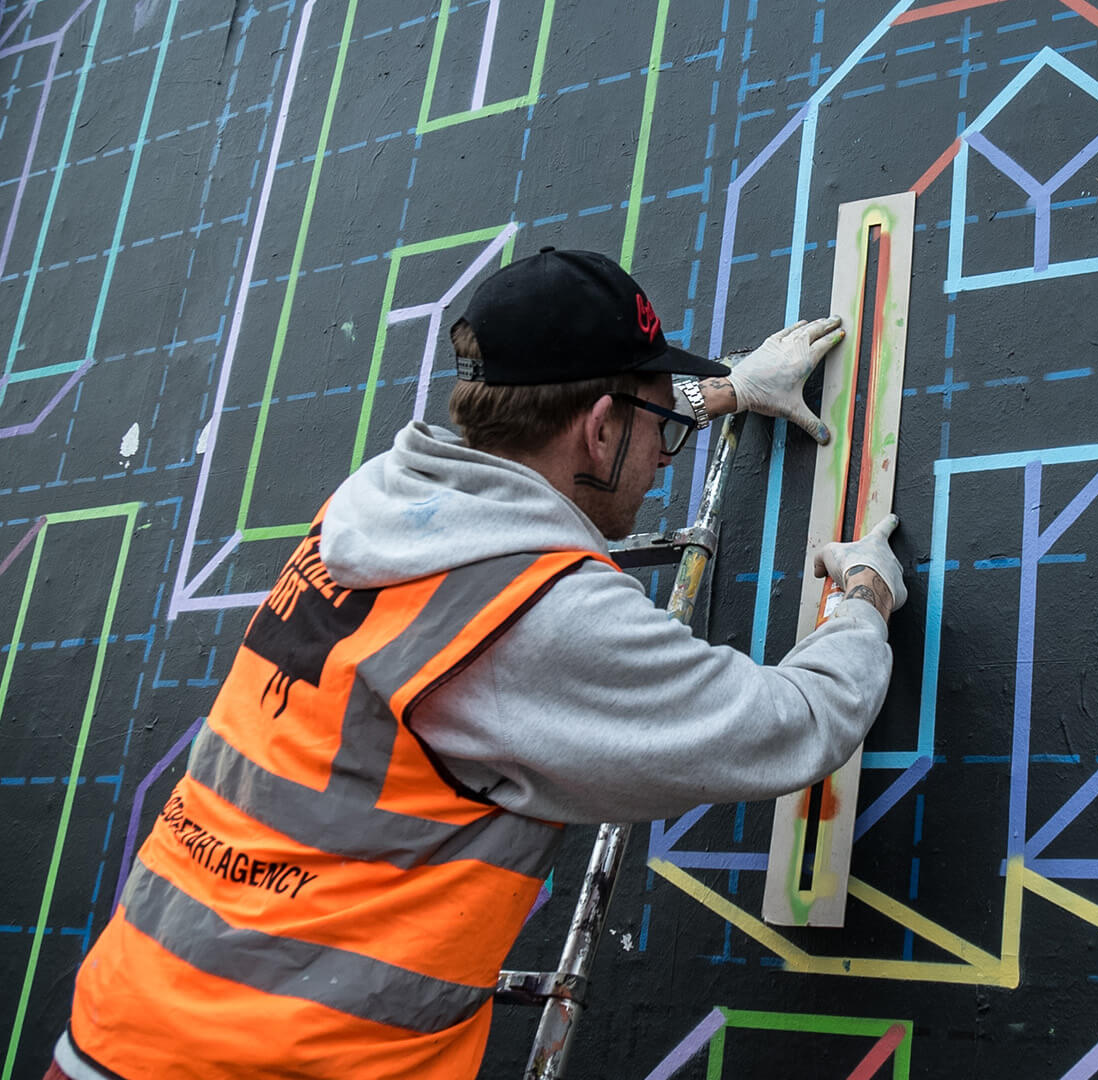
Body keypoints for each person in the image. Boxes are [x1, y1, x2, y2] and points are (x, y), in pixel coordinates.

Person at [49, 248, 907, 1080]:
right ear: (601, 428)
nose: (659, 456)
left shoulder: (379, 503)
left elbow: (577, 429)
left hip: (121, 1023)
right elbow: (793, 724)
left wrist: (723, 392)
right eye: (660, 430)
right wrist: (863, 595)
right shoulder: (534, 613)